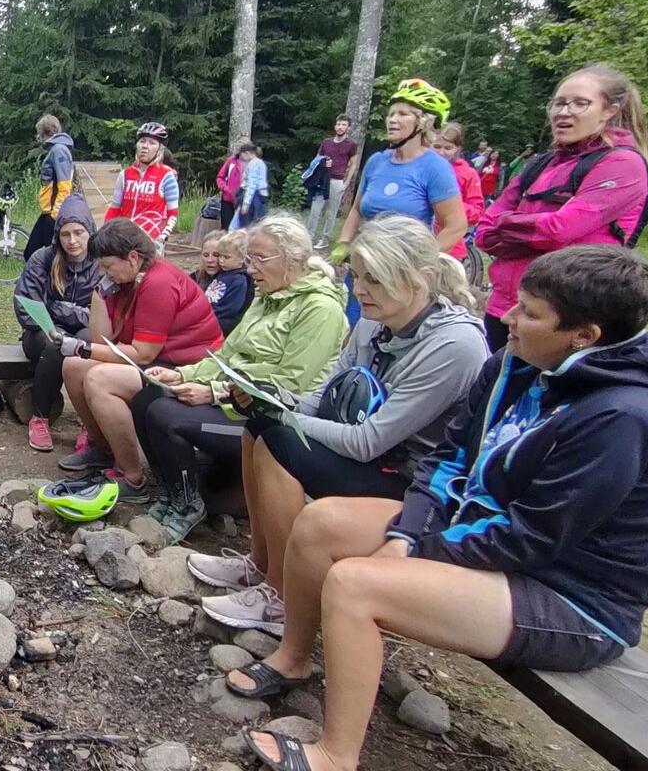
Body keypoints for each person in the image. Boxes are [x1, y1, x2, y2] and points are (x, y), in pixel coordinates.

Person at [230, 245, 648, 771]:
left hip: (570, 594)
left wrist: (418, 548)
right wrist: (408, 533)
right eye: (516, 303)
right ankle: (293, 658)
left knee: (356, 585)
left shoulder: (621, 417)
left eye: (529, 313)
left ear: (584, 337)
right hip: (481, 531)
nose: (507, 317)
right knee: (320, 523)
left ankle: (337, 755)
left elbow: (533, 539)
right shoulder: (514, 364)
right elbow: (448, 460)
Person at [190, 215, 487, 636]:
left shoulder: (454, 346)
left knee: (278, 438)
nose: (359, 290)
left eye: (375, 280)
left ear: (420, 279)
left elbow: (369, 441)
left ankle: (282, 596)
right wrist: (275, 401)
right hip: (372, 455)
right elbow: (325, 395)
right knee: (259, 423)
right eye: (358, 276)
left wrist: (283, 414)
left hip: (413, 484)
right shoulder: (374, 320)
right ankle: (260, 563)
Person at [128, 216, 347, 541]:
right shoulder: (268, 295)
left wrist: (213, 393)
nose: (250, 269)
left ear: (292, 259)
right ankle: (174, 493)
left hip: (271, 419)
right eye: (249, 259)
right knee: (146, 397)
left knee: (166, 415)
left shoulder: (321, 309)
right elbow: (227, 357)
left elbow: (291, 383)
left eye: (260, 259)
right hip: (235, 401)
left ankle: (189, 504)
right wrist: (180, 375)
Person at [50, 217, 227, 519]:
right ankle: (104, 449)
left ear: (132, 257)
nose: (105, 273)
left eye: (107, 266)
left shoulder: (158, 282)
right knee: (73, 367)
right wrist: (99, 294)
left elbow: (143, 354)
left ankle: (132, 476)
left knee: (99, 379)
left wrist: (85, 348)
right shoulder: (128, 281)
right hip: (159, 362)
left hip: (185, 369)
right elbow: (101, 337)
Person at [476, 64, 648, 353]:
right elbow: (484, 233)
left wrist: (508, 225)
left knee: (544, 394)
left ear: (610, 110)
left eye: (580, 103)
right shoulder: (540, 163)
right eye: (558, 103)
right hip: (505, 306)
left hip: (565, 317)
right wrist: (523, 227)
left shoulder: (623, 164)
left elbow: (559, 231)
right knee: (494, 391)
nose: (564, 112)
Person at [334, 79, 467, 258]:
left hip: (403, 274)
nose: (392, 120)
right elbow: (357, 210)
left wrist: (419, 261)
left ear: (423, 123)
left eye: (403, 114)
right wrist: (343, 243)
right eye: (391, 114)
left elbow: (456, 226)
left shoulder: (435, 167)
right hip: (365, 263)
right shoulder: (376, 161)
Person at [14, 195, 102, 451]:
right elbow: (26, 306)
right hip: (39, 333)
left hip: (84, 331)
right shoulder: (42, 259)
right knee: (57, 344)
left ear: (90, 232)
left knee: (88, 341)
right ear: (57, 235)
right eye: (65, 234)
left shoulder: (101, 263)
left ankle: (90, 424)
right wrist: (61, 320)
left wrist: (60, 309)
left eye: (78, 233)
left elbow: (104, 314)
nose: (72, 241)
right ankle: (40, 417)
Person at [104, 122, 180, 243]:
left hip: (152, 239)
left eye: (152, 143)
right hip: (125, 237)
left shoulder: (167, 176)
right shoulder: (125, 175)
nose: (145, 146)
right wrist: (104, 232)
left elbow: (173, 214)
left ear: (160, 149)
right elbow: (114, 209)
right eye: (142, 141)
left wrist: (162, 237)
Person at [25, 114, 77, 259]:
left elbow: (65, 185)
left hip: (53, 214)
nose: (38, 137)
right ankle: (43, 280)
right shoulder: (56, 149)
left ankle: (51, 281)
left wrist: (55, 215)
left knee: (45, 256)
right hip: (48, 211)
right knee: (32, 253)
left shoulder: (58, 150)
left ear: (44, 132)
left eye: (38, 133)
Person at [434, 122, 486, 259]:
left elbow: (477, 212)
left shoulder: (468, 173)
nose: (441, 152)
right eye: (437, 146)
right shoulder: (418, 169)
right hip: (417, 243)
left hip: (450, 249)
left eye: (448, 148)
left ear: (457, 149)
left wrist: (449, 204)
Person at [307, 116, 361, 246]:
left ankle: (325, 239)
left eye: (344, 125)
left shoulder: (351, 145)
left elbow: (353, 164)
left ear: (348, 128)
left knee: (332, 212)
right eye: (339, 124)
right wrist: (324, 162)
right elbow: (316, 160)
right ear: (335, 126)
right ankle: (309, 237)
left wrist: (347, 183)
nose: (340, 127)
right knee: (315, 209)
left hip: (337, 181)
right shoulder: (326, 142)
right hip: (322, 180)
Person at [193, 231, 253, 335]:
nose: (210, 260)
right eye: (206, 255)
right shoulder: (195, 278)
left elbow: (231, 310)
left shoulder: (239, 280)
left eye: (217, 255)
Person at [233, 144, 268, 229]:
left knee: (245, 226)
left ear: (247, 153)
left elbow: (251, 185)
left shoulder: (254, 163)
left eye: (242, 156)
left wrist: (245, 205)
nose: (242, 159)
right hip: (260, 196)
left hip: (253, 198)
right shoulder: (261, 163)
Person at [214, 150, 244, 230]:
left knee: (240, 229)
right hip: (227, 199)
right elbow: (220, 177)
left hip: (242, 201)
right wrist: (224, 188)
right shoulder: (231, 161)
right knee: (226, 228)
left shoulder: (251, 164)